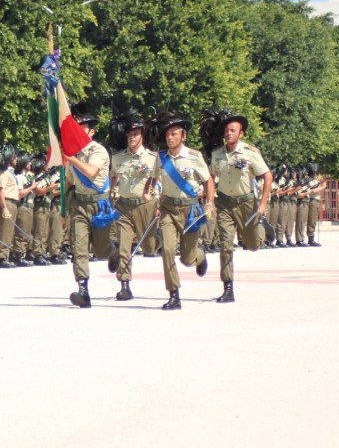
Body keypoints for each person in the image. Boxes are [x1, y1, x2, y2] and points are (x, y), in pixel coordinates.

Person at [205, 111, 274, 303]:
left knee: (252, 245)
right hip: (225, 203)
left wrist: (262, 204)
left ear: (241, 133)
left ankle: (261, 228)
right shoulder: (217, 154)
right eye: (226, 130)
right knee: (225, 244)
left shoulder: (250, 153)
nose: (228, 133)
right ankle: (228, 287)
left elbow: (267, 176)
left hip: (246, 203)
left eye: (233, 130)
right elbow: (210, 177)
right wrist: (210, 201)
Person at [151, 113, 214, 311]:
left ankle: (199, 256)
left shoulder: (194, 157)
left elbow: (208, 180)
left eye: (174, 134)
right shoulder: (160, 158)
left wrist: (210, 203)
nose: (170, 138)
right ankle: (173, 294)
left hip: (190, 210)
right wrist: (153, 198)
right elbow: (154, 180)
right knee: (168, 250)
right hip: (168, 208)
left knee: (187, 258)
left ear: (183, 136)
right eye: (168, 134)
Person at [64, 106, 120, 308]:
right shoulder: (73, 154)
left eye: (83, 128)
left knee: (101, 251)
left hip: (99, 205)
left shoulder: (98, 151)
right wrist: (63, 207)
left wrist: (69, 158)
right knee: (79, 248)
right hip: (79, 205)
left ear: (92, 132)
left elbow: (90, 171)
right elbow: (69, 181)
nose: (79, 131)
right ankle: (83, 289)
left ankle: (114, 252)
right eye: (76, 128)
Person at [110, 111, 158, 301]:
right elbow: (113, 176)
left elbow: (160, 179)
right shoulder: (118, 157)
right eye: (129, 135)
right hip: (124, 206)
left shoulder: (153, 158)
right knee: (124, 245)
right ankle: (125, 284)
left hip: (144, 206)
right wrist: (110, 193)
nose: (131, 138)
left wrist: (155, 195)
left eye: (135, 134)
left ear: (142, 136)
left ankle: (157, 239)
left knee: (148, 248)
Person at [0, 144, 19, 269]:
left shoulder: (10, 173)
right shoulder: (3, 173)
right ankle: (1, 257)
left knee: (9, 231)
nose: (16, 159)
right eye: (14, 157)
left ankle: (5, 255)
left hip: (12, 202)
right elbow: (0, 191)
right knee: (4, 230)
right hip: (6, 202)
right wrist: (4, 207)